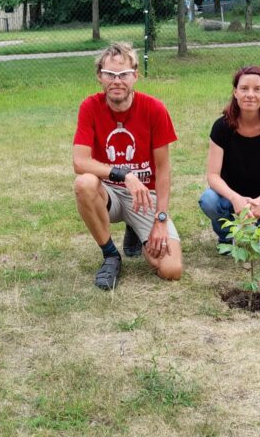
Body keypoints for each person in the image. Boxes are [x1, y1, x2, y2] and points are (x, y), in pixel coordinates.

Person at [73, 43, 183, 290]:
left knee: (170, 269)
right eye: (110, 74)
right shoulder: (90, 107)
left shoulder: (154, 109)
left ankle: (136, 227)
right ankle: (111, 255)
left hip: (143, 197)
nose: (117, 81)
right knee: (84, 183)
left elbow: (163, 170)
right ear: (99, 77)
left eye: (123, 74)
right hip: (109, 193)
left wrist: (161, 220)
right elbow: (80, 162)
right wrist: (125, 175)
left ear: (136, 75)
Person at [199, 65, 260, 246]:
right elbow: (213, 175)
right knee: (209, 200)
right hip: (230, 197)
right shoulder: (221, 127)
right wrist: (235, 198)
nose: (250, 94)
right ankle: (226, 237)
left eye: (257, 89)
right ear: (235, 92)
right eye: (244, 88)